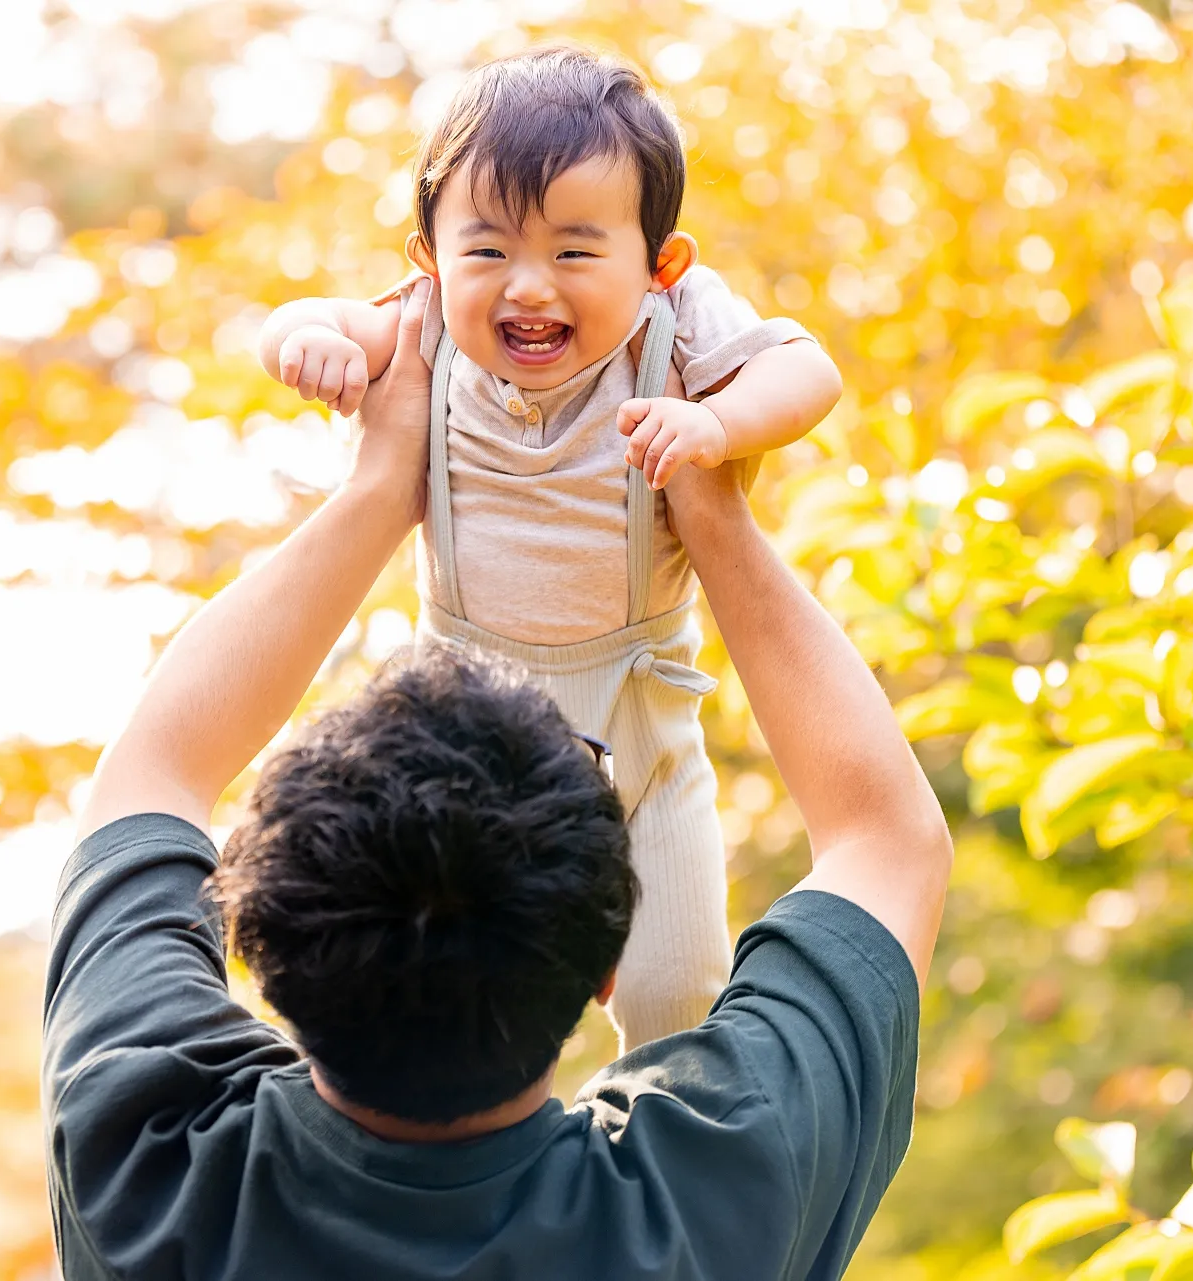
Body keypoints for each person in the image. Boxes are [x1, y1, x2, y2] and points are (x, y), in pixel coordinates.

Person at [43, 265, 954, 1277]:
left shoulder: (144, 1168)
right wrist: (714, 519)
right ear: (609, 967)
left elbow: (153, 773)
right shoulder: (704, 1202)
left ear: (258, 938)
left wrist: (379, 489)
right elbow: (887, 841)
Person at [254, 47, 845, 1048]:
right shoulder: (427, 322)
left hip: (638, 714)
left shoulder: (676, 330)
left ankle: (646, 1134)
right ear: (431, 260)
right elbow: (304, 320)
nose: (529, 288)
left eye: (575, 253)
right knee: (450, 990)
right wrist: (308, 340)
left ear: (661, 265)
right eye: (488, 252)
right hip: (464, 722)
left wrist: (717, 425)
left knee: (679, 990)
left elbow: (809, 371)